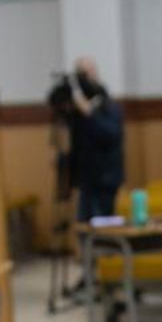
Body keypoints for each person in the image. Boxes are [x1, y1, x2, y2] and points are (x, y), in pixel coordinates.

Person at [66, 56, 124, 222]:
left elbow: (112, 134)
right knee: (84, 226)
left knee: (102, 228)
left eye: (87, 72)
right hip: (87, 179)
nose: (85, 76)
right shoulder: (76, 106)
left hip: (105, 179)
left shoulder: (107, 104)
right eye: (80, 73)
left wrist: (89, 112)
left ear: (95, 73)